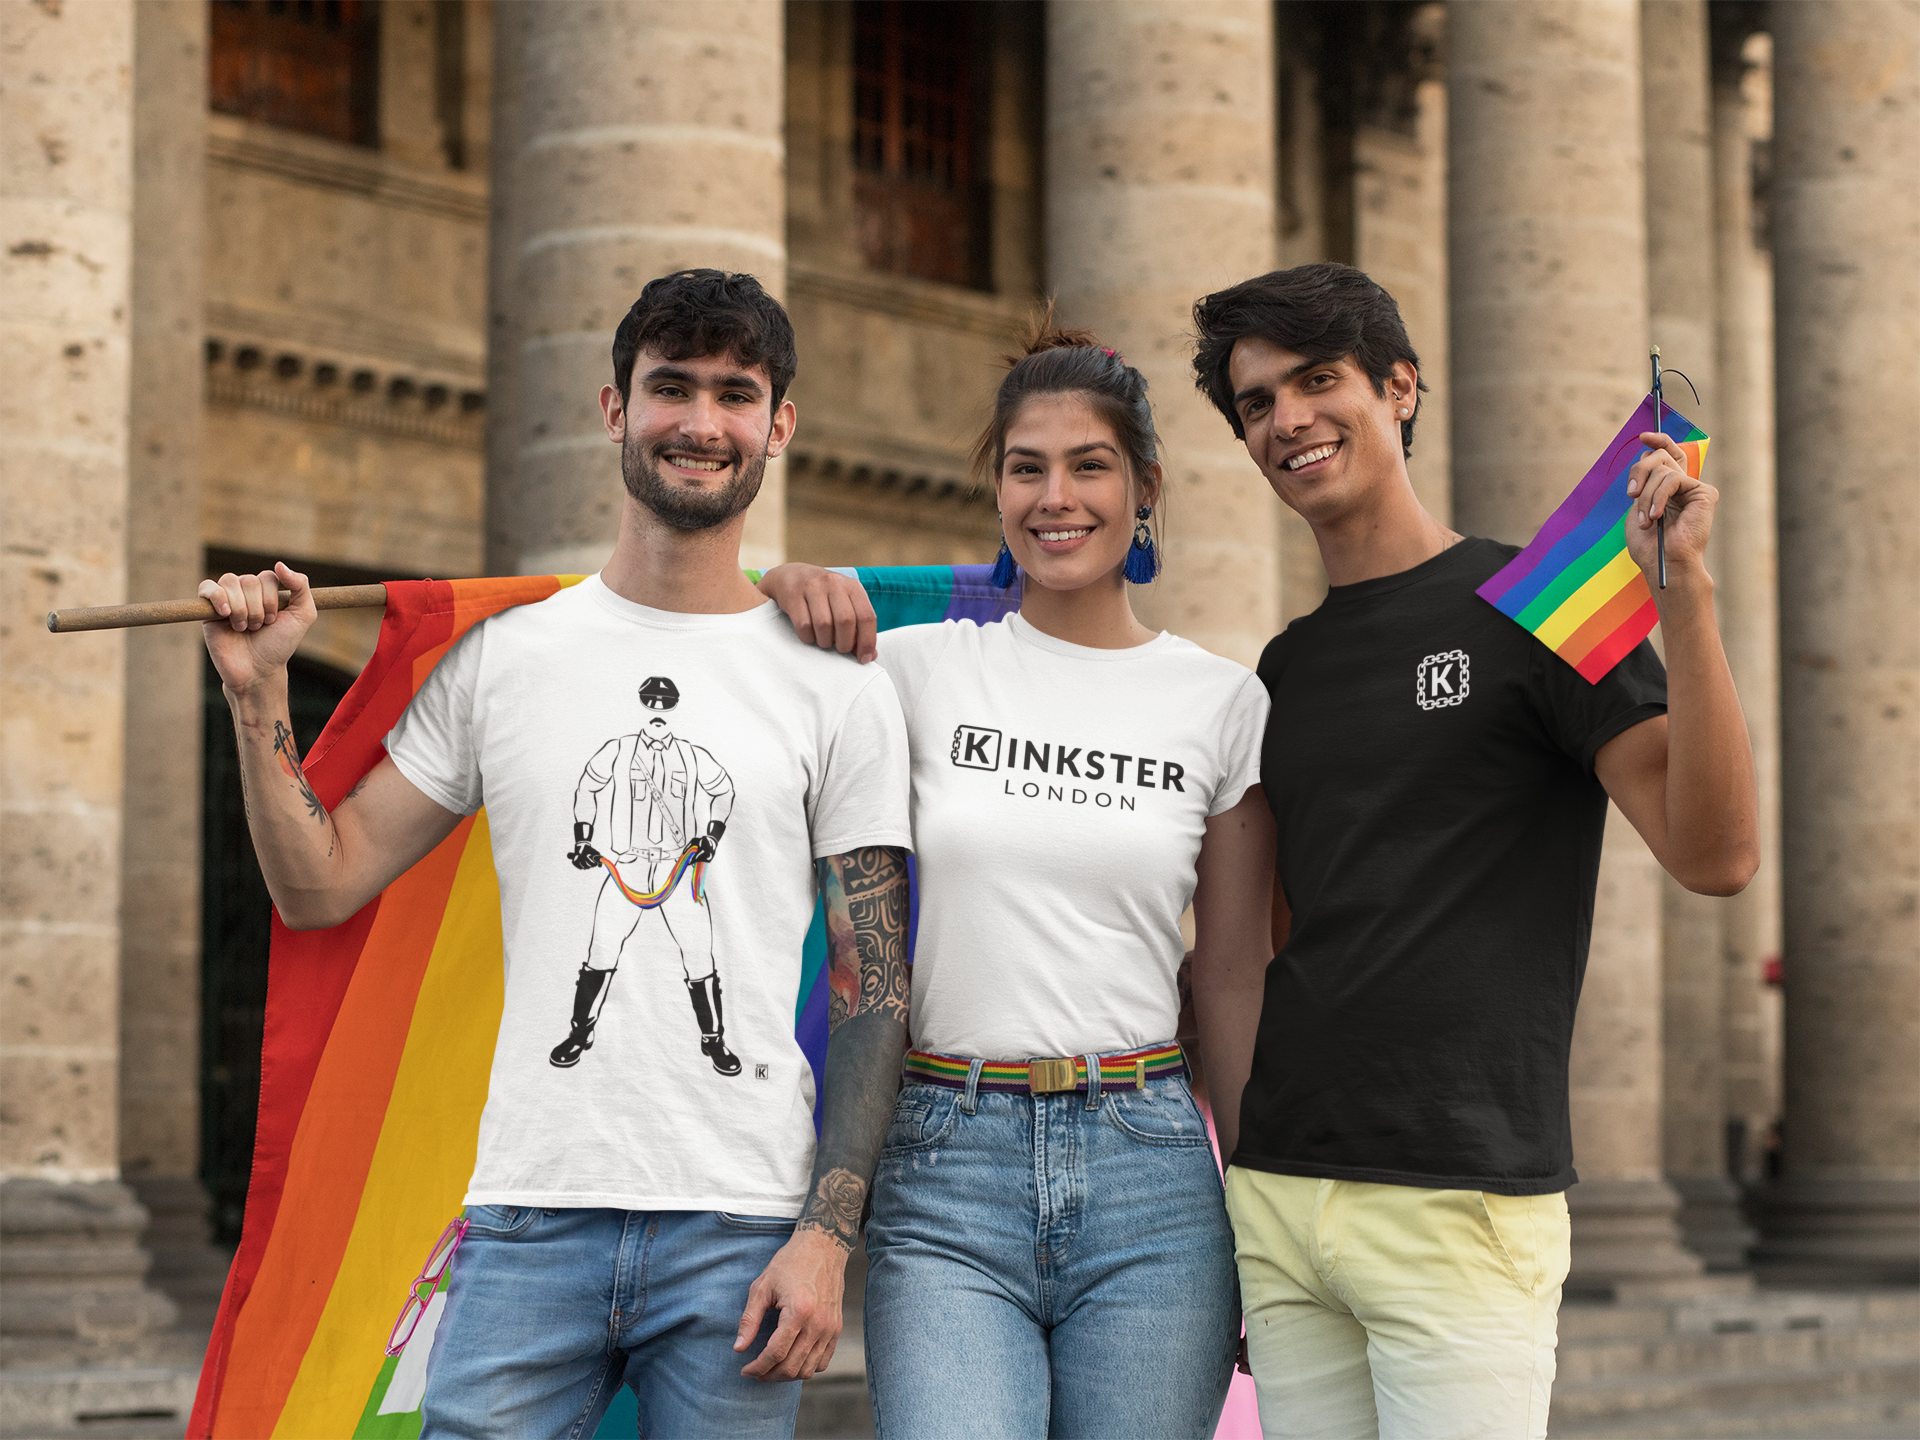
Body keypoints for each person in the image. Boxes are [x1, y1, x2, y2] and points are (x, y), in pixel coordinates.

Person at [197, 269, 914, 1440]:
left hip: (739, 1224)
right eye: (669, 387)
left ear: (778, 425)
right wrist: (258, 691)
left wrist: (828, 1236)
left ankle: (717, 1036)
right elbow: (317, 882)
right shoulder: (505, 661)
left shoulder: (838, 685)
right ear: (613, 408)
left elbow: (876, 984)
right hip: (529, 1213)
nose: (700, 421)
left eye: (735, 394)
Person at [1186, 262, 1760, 1440]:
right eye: (1255, 402)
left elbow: (1716, 856)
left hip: (1463, 1195)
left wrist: (1685, 599)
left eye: (1318, 379)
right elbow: (1275, 944)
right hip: (1288, 1197)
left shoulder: (1539, 609)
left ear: (1399, 389)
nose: (1287, 419)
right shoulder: (1285, 665)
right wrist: (1246, 1180)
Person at [758, 326, 1277, 1439]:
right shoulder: (908, 670)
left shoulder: (1222, 703)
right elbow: (719, 659)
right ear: (995, 489)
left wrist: (1262, 1215)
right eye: (1025, 466)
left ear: (1144, 489)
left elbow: (1231, 977)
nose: (1057, 496)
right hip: (945, 1161)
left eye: (1090, 464)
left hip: (1153, 1174)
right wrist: (781, 586)